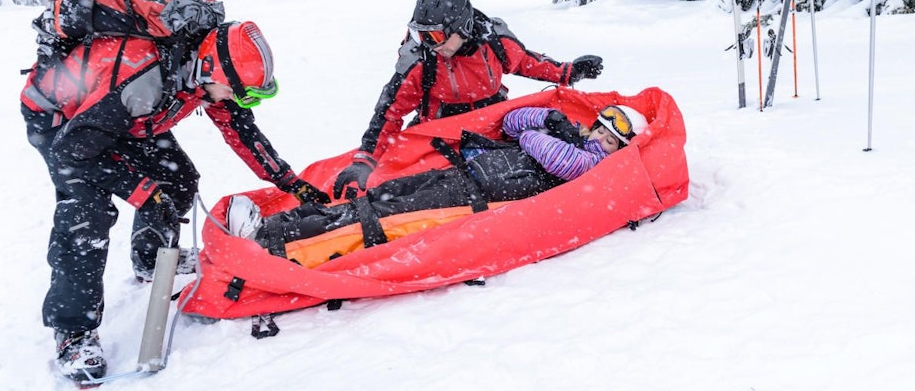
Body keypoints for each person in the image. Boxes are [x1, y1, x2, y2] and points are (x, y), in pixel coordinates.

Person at [20, 20, 330, 382]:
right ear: (212, 71)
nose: (237, 100)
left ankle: (150, 259)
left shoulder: (202, 75)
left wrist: (289, 181)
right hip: (64, 122)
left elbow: (243, 132)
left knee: (177, 180)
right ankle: (74, 333)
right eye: (240, 93)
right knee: (88, 216)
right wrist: (144, 192)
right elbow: (73, 152)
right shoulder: (147, 80)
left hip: (121, 114)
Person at [227, 104, 649, 255]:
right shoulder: (571, 135)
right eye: (600, 130)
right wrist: (547, 116)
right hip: (465, 175)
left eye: (610, 141)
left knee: (377, 217)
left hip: (475, 197)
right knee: (378, 196)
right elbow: (513, 122)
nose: (599, 139)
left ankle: (270, 240)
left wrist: (540, 133)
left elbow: (553, 158)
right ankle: (278, 225)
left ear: (619, 151)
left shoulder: (592, 166)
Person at [332, 0, 606, 200]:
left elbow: (526, 62)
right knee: (420, 190)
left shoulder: (493, 41)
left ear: (461, 27)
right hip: (441, 137)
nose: (429, 43)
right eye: (420, 34)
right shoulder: (422, 60)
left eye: (435, 36)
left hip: (493, 130)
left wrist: (570, 72)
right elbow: (389, 112)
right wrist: (365, 161)